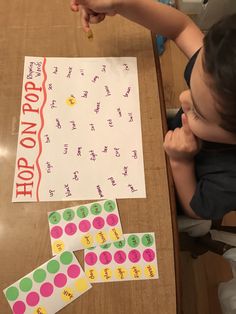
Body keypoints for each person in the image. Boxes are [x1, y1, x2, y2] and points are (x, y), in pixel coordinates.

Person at [70, 0, 236, 236]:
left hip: (165, 192)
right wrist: (119, 4)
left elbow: (195, 210)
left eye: (198, 112)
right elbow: (181, 28)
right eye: (191, 83)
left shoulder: (230, 181)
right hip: (149, 139)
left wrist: (181, 162)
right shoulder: (218, 71)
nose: (182, 97)